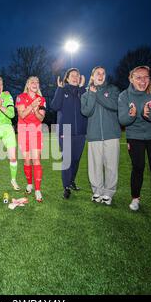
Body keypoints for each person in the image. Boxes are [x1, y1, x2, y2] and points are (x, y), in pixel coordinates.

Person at [118, 65, 151, 215]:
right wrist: (132, 115)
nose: (143, 81)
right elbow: (123, 120)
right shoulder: (124, 95)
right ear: (131, 79)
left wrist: (149, 115)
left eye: (146, 77)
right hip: (135, 137)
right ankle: (135, 198)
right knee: (137, 167)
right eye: (138, 77)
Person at [81, 66, 121, 205]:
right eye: (98, 73)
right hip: (94, 135)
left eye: (103, 73)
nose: (101, 75)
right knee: (95, 166)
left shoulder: (113, 89)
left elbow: (114, 105)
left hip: (111, 134)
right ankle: (97, 191)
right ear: (92, 76)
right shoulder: (86, 94)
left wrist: (97, 93)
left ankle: (108, 193)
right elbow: (86, 111)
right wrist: (92, 94)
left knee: (111, 166)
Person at [50, 68, 87, 199]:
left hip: (80, 132)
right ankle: (66, 187)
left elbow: (86, 107)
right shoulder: (63, 90)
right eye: (72, 75)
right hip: (65, 131)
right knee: (67, 160)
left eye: (77, 75)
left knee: (76, 160)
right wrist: (59, 89)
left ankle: (71, 181)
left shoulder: (82, 91)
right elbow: (54, 106)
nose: (75, 77)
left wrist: (82, 88)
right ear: (67, 78)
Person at [16, 76, 46, 202]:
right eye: (32, 82)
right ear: (28, 85)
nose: (35, 83)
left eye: (37, 82)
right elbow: (22, 114)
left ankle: (38, 190)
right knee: (27, 160)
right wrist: (32, 106)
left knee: (36, 160)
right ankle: (29, 184)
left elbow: (41, 118)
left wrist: (35, 108)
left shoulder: (42, 99)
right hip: (23, 130)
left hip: (36, 131)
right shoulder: (21, 97)